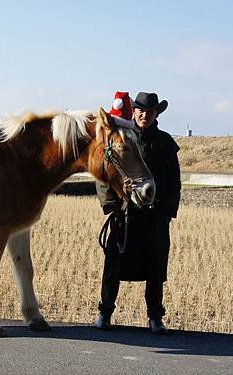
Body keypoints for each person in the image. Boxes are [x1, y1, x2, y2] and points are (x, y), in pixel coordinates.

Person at [94, 91, 181, 334]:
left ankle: (155, 317)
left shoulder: (165, 143)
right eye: (140, 110)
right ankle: (105, 312)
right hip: (125, 214)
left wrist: (167, 213)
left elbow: (174, 182)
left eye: (150, 111)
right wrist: (111, 206)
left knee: (155, 267)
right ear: (134, 111)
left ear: (156, 114)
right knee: (113, 264)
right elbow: (104, 171)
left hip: (155, 216)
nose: (144, 115)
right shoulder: (121, 137)